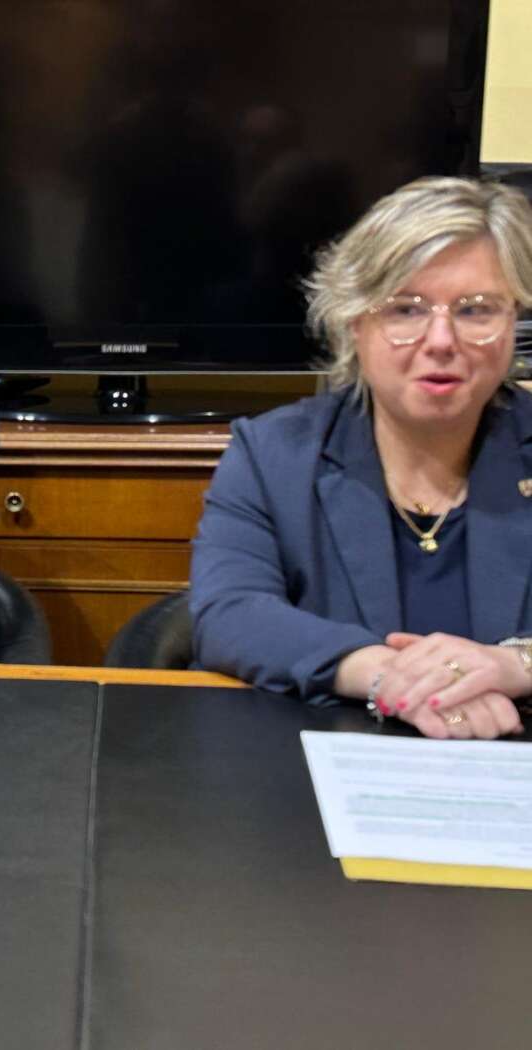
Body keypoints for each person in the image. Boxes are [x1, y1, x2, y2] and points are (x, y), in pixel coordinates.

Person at [190, 176, 532, 740]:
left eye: (476, 310)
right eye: (405, 310)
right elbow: (229, 614)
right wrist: (385, 675)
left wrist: (516, 663)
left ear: (512, 322)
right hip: (321, 766)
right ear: (354, 322)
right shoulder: (273, 454)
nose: (441, 340)